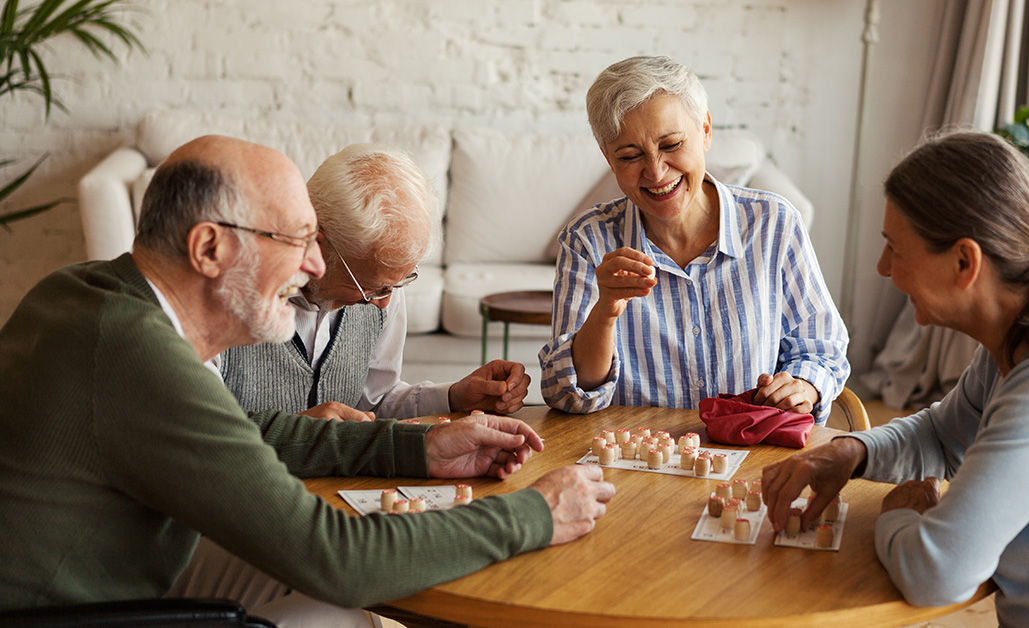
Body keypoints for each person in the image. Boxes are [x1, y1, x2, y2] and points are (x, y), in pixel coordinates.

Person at [0, 135, 615, 626]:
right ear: (209, 248)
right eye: (295, 239)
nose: (314, 266)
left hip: (120, 559)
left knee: (337, 613)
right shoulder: (136, 352)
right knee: (338, 602)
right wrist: (533, 513)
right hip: (74, 610)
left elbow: (241, 430)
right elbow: (335, 557)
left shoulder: (90, 294)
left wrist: (416, 445)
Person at [761, 132, 1029, 626]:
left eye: (895, 249)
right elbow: (942, 437)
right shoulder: (1018, 341)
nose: (884, 269)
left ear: (965, 262)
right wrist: (852, 451)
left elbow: (937, 573)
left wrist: (897, 515)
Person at [540, 55, 849, 421]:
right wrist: (605, 311)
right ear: (609, 158)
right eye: (630, 155)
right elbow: (567, 393)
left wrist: (802, 385)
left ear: (705, 130)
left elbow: (821, 350)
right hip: (636, 465)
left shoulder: (774, 223)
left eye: (670, 145)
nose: (655, 172)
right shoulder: (587, 240)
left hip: (749, 455)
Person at [216, 143, 529, 423]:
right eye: (371, 286)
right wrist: (298, 429)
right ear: (317, 242)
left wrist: (454, 397)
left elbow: (375, 401)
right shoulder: (224, 294)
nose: (383, 302)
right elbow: (192, 431)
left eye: (398, 283)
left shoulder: (385, 284)